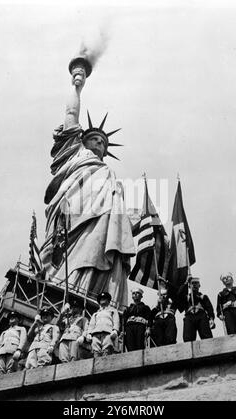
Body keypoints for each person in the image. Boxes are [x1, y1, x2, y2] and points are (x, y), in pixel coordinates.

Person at [40, 56, 135, 310]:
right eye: (95, 139)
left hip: (102, 224)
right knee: (75, 263)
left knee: (103, 254)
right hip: (74, 222)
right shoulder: (75, 153)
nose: (100, 144)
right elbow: (71, 114)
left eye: (103, 142)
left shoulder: (108, 174)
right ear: (84, 141)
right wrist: (77, 85)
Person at [178, 277, 215, 342]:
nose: (194, 285)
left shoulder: (203, 296)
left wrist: (211, 318)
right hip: (189, 316)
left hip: (201, 315)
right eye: (192, 283)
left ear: (199, 285)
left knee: (207, 337)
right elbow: (179, 294)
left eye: (196, 283)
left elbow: (209, 308)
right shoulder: (186, 297)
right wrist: (186, 282)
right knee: (188, 338)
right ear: (189, 286)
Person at [87, 292, 120, 357]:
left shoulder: (113, 311)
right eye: (101, 299)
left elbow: (116, 321)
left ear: (108, 300)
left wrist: (115, 330)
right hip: (96, 333)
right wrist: (89, 333)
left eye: (105, 298)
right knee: (96, 351)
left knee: (107, 350)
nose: (103, 300)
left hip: (107, 332)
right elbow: (91, 325)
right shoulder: (96, 314)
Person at [123, 287, 151, 351]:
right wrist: (123, 331)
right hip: (129, 327)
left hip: (140, 326)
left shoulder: (145, 307)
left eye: (137, 293)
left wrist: (148, 328)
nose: (135, 294)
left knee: (140, 344)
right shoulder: (128, 309)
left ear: (141, 296)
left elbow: (149, 318)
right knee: (130, 345)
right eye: (133, 293)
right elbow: (124, 320)